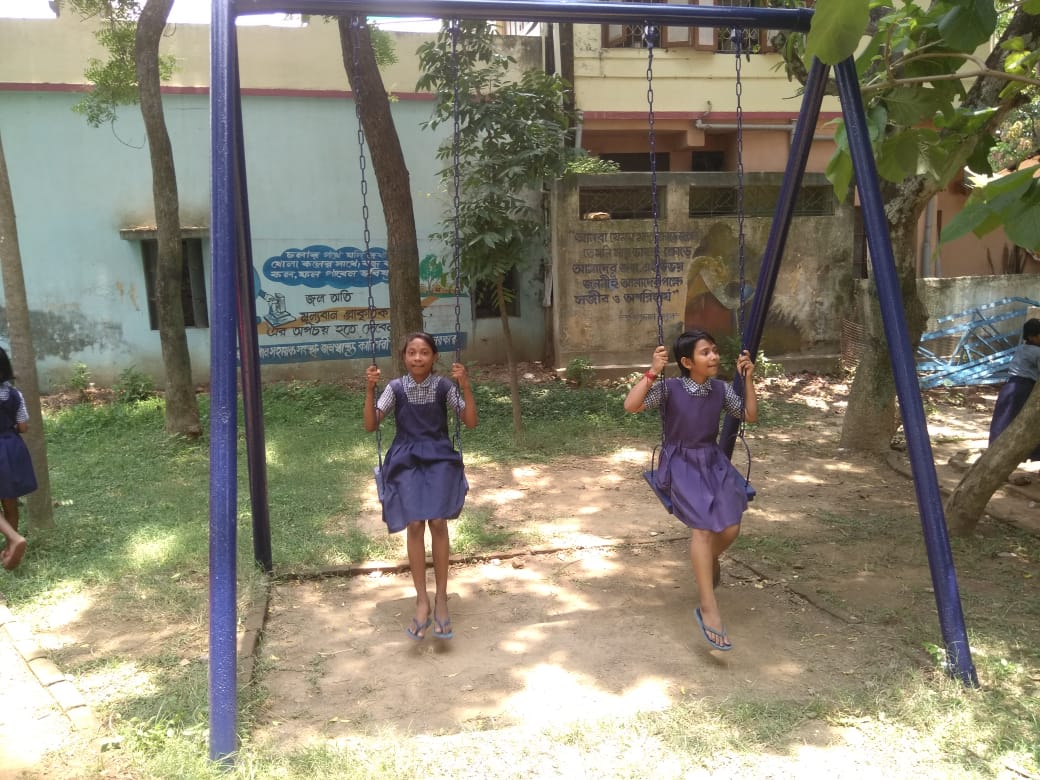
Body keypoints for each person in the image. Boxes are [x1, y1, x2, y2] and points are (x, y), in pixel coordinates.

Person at [624, 329, 757, 651]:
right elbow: (631, 405)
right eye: (705, 352)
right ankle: (709, 608)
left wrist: (748, 379)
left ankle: (705, 562)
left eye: (714, 350)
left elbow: (749, 415)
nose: (714, 357)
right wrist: (652, 371)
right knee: (703, 529)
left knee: (731, 527)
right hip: (680, 464)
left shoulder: (721, 390)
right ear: (687, 362)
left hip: (711, 461)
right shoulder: (669, 389)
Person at [364, 332, 477, 642]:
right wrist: (370, 389)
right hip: (406, 457)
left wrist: (465, 385)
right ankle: (421, 600)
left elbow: (470, 422)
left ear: (434, 357)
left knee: (437, 521)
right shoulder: (395, 388)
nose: (417, 358)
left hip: (438, 454)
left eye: (424, 352)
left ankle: (441, 599)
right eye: (411, 352)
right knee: (415, 523)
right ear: (404, 357)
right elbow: (371, 425)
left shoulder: (443, 387)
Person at [0, 347, 36, 571]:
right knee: (10, 502)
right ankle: (8, 550)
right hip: (11, 449)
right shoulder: (15, 394)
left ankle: (14, 538)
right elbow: (23, 427)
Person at [989, 317, 1040, 463]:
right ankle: (1031, 453)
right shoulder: (1037, 352)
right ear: (1031, 337)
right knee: (1028, 422)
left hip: (1010, 386)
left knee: (1003, 421)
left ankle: (996, 452)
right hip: (1023, 388)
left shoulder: (1022, 348)